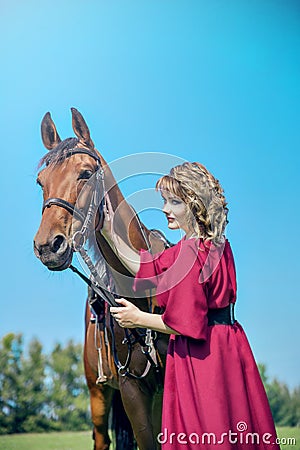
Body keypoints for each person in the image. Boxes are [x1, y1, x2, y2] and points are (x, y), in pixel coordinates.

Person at [101, 162, 279, 449]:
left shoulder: (189, 253)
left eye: (174, 202)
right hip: (229, 347)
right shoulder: (216, 244)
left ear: (194, 205)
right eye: (164, 201)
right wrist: (110, 232)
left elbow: (183, 325)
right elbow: (146, 268)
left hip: (201, 357)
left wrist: (136, 318)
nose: (165, 209)